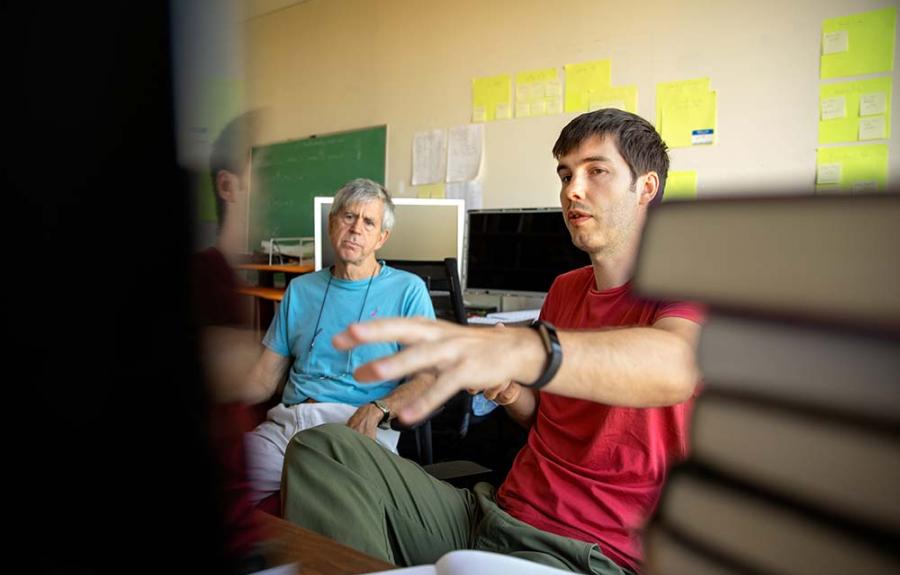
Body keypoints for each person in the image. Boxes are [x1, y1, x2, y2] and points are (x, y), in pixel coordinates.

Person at [279, 109, 704, 574]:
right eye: (565, 174)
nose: (572, 190)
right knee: (321, 449)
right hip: (492, 516)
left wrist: (524, 350)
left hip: (583, 551)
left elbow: (677, 364)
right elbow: (544, 419)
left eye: (596, 171)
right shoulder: (565, 288)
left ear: (646, 188)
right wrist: (510, 390)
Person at [243, 178, 436, 506]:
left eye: (369, 221)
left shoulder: (408, 290)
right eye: (348, 217)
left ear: (381, 237)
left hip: (355, 425)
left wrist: (379, 409)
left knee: (336, 507)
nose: (356, 228)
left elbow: (428, 376)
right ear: (332, 223)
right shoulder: (300, 290)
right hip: (289, 422)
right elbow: (263, 378)